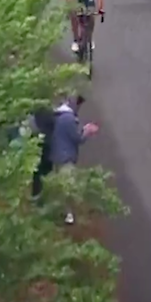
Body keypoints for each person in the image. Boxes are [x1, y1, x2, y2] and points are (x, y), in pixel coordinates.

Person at [50, 95, 99, 224]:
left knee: (61, 184)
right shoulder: (69, 119)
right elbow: (78, 139)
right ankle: (68, 214)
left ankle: (61, 210)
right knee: (68, 186)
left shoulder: (59, 116)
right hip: (66, 157)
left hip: (57, 155)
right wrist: (87, 132)